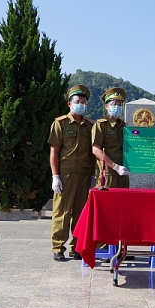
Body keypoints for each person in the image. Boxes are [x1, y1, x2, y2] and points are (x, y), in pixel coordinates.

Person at [47, 84, 95, 261]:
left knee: (80, 212)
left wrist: (92, 176)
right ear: (69, 103)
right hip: (65, 173)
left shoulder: (90, 125)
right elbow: (54, 151)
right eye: (77, 101)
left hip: (83, 173)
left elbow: (92, 153)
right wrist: (55, 176)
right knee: (62, 212)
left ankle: (76, 247)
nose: (80, 104)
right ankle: (58, 247)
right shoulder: (60, 123)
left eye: (83, 101)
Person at [92, 87, 130, 189]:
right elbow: (96, 149)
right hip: (108, 173)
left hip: (124, 172)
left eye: (119, 104)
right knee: (108, 203)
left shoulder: (124, 126)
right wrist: (115, 166)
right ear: (106, 106)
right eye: (114, 104)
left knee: (124, 203)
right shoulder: (101, 125)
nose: (117, 107)